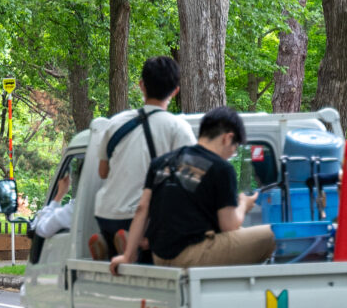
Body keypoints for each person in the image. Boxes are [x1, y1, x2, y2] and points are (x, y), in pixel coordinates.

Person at [110, 106, 274, 271]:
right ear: (227, 138)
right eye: (234, 148)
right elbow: (229, 226)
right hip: (194, 255)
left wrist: (128, 256)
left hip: (159, 256)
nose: (232, 153)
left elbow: (142, 209)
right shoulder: (222, 168)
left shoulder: (162, 162)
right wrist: (244, 204)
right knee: (276, 233)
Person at [88, 55, 194, 258]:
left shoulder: (116, 122)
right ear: (175, 91)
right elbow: (189, 182)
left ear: (141, 85)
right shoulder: (178, 128)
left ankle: (111, 243)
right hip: (140, 219)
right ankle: (135, 245)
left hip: (105, 213)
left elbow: (102, 172)